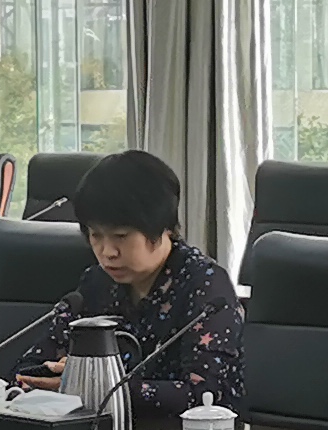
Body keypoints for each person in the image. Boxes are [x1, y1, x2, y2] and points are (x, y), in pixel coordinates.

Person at [13, 147, 244, 415]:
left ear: (163, 228)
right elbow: (29, 367)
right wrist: (49, 375)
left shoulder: (206, 287)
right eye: (96, 235)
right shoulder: (97, 284)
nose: (107, 252)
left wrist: (92, 387)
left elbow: (203, 394)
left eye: (121, 236)